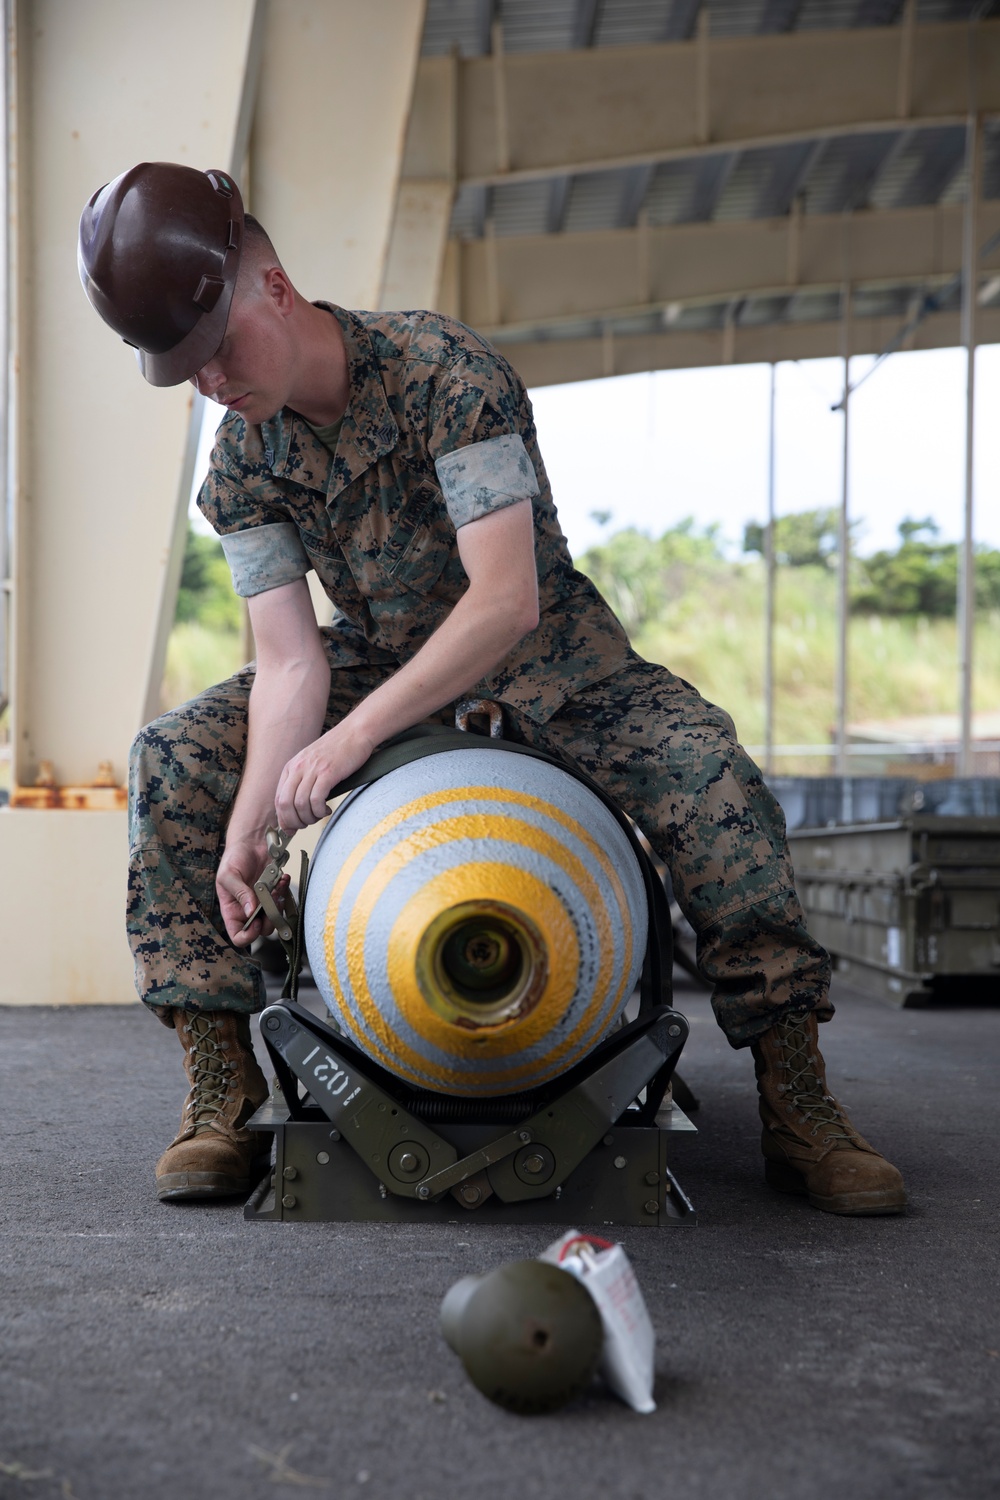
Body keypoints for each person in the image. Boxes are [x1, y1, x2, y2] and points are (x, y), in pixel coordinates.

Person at [78, 162, 905, 1216]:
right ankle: (222, 1089)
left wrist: (343, 747)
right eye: (181, 368)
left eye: (216, 347)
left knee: (712, 779)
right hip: (382, 659)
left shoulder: (441, 372)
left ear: (272, 288)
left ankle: (799, 1103)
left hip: (556, 659)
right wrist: (249, 827)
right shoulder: (242, 468)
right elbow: (292, 662)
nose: (209, 382)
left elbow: (505, 599)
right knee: (178, 757)